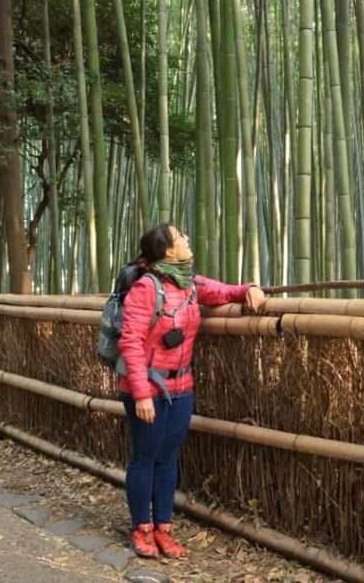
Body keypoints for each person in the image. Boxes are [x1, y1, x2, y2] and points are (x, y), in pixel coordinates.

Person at [117, 223, 265, 559]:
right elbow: (131, 342)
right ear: (168, 251)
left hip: (181, 386)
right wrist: (141, 393)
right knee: (145, 457)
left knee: (168, 459)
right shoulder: (146, 287)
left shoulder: (190, 284)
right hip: (148, 388)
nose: (186, 238)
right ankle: (141, 528)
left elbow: (226, 291)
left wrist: (251, 289)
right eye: (180, 236)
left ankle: (163, 529)